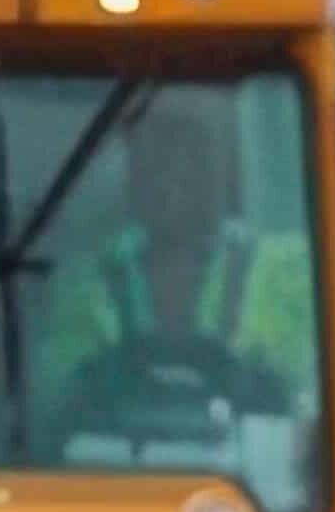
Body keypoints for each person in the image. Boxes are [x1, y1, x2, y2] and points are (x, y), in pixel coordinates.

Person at [37, 95, 314, 437]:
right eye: (152, 155)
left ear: (222, 167)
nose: (171, 173)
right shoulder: (86, 282)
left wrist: (266, 384)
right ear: (131, 173)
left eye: (190, 150)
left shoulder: (292, 271)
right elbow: (50, 405)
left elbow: (314, 399)